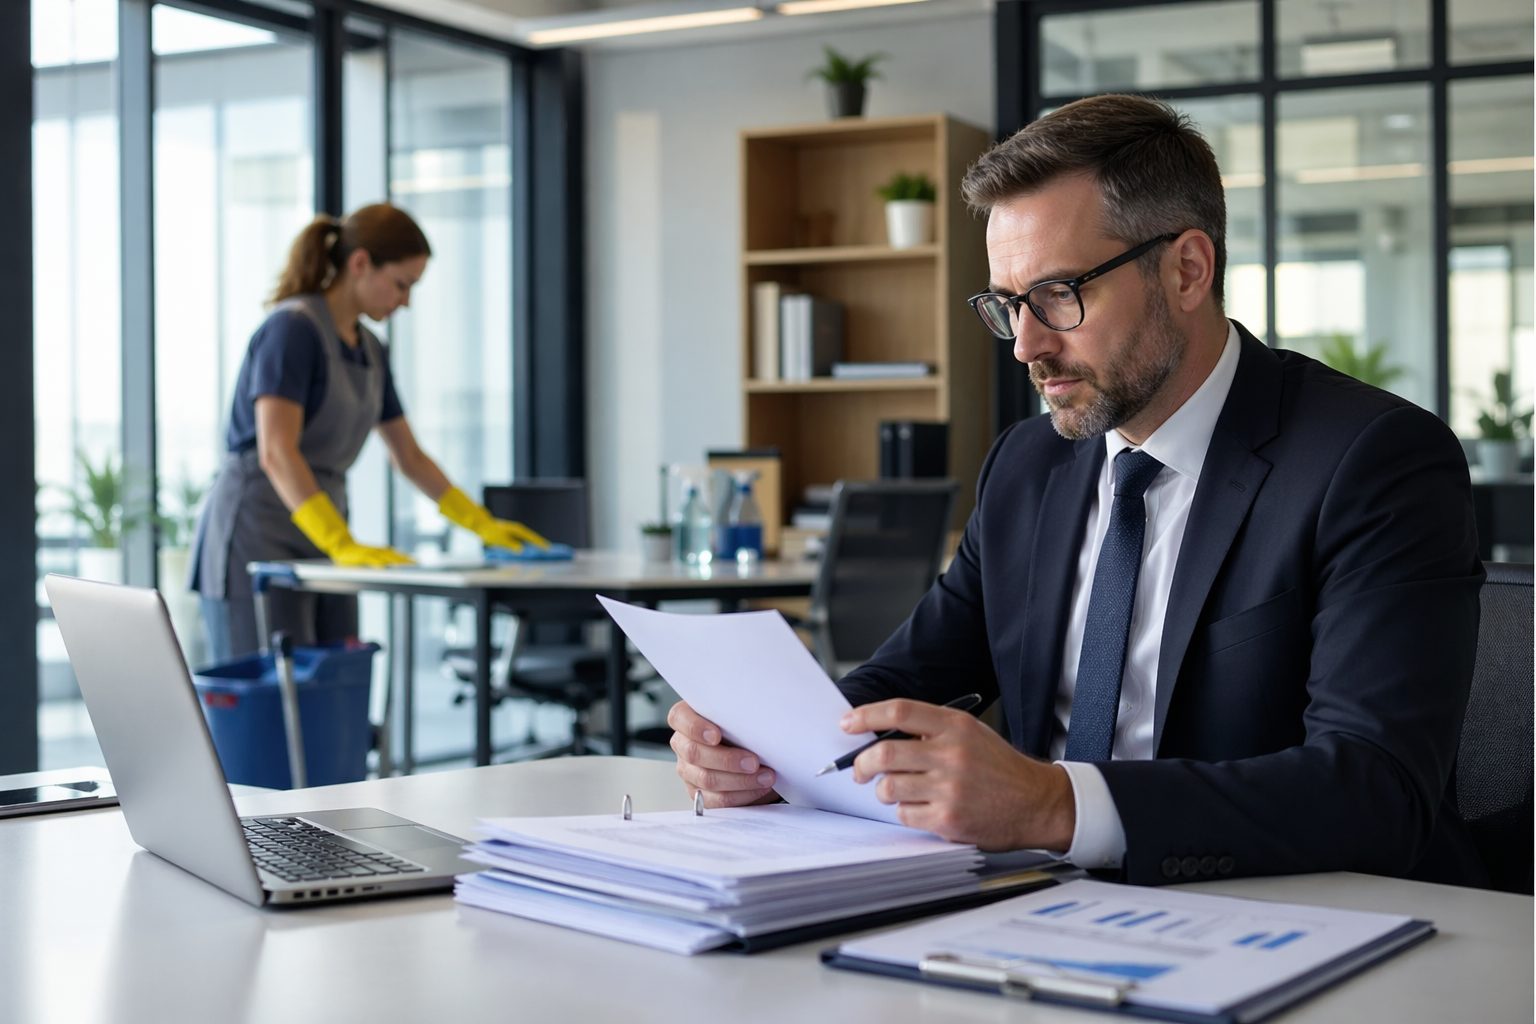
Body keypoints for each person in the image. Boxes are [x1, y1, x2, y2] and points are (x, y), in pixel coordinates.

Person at [669, 95, 1487, 887]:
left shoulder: (1372, 460)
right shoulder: (1028, 466)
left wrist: (1053, 805)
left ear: (1188, 270)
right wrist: (767, 750)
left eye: (1060, 294)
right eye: (1007, 304)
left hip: (1289, 913)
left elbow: (1377, 788)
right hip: (1036, 908)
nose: (1026, 345)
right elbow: (901, 683)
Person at [190, 203, 547, 661]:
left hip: (325, 530)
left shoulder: (372, 351)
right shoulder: (291, 331)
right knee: (270, 696)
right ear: (360, 265)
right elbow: (276, 451)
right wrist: (339, 542)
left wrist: (479, 523)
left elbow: (409, 457)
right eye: (401, 284)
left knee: (336, 681)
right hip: (257, 532)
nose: (405, 301)